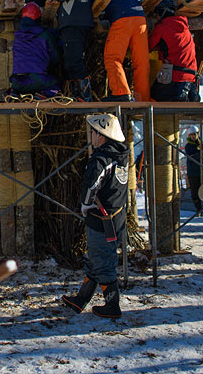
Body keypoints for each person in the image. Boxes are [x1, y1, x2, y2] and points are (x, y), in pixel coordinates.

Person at [62, 113, 129, 318]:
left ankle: (112, 306)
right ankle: (81, 300)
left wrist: (85, 205)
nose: (91, 135)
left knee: (103, 263)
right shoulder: (121, 157)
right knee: (96, 260)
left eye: (93, 132)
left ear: (101, 136)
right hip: (116, 217)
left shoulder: (102, 159)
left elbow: (91, 186)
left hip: (101, 219)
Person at [30, 0, 94, 101]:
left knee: (74, 60)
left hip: (74, 22)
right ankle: (77, 94)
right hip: (74, 22)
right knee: (70, 60)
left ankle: (85, 96)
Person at [88, 0, 151, 102]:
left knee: (112, 57)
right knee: (141, 62)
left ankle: (120, 93)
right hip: (140, 19)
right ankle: (143, 100)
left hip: (122, 19)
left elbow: (90, 5)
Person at [148, 0, 200, 102]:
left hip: (175, 80)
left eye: (156, 14)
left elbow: (147, 47)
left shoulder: (162, 27)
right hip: (192, 81)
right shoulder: (185, 28)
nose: (156, 17)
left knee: (152, 97)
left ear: (162, 13)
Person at [10, 2, 61, 98]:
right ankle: (43, 94)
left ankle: (14, 92)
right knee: (56, 83)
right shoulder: (45, 35)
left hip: (16, 81)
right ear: (38, 18)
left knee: (23, 83)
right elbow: (55, 57)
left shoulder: (18, 36)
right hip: (37, 80)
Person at [184, 125, 203, 214]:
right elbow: (191, 157)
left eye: (195, 134)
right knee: (195, 192)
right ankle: (199, 210)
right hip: (193, 172)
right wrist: (200, 154)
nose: (193, 136)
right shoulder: (188, 146)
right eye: (191, 135)